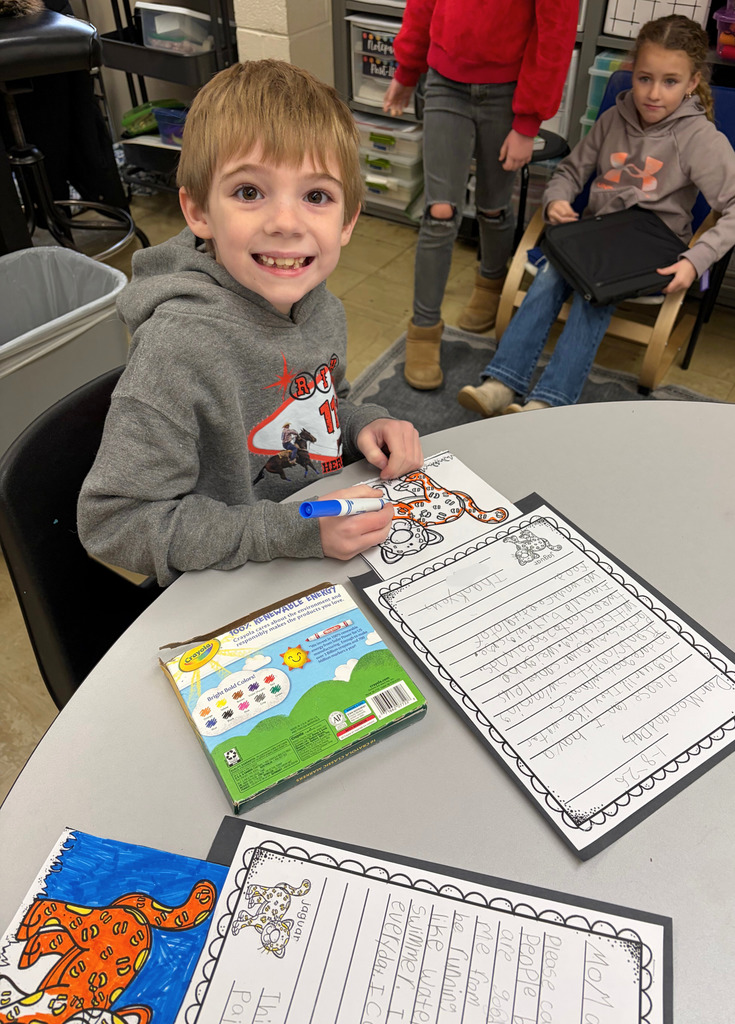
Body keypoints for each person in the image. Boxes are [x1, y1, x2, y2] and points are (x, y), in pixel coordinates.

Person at [77, 60, 423, 587]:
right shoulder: (178, 348)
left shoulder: (321, 306)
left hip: (313, 555)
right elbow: (115, 522)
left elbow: (324, 405)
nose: (285, 222)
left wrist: (361, 424)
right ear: (198, 212)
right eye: (248, 192)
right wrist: (293, 531)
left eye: (316, 196)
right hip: (233, 585)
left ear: (348, 220)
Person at [458, 14, 735, 417]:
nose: (653, 93)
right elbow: (571, 171)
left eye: (670, 82)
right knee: (555, 269)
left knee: (595, 293)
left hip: (653, 244)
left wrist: (697, 260)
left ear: (693, 82)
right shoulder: (613, 119)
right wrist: (557, 199)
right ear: (633, 74)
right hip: (599, 234)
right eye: (644, 78)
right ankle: (502, 382)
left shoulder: (701, 140)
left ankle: (548, 402)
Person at [382, 0, 578, 390]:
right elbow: (423, 5)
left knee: (493, 206)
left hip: (509, 90)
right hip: (444, 82)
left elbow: (554, 33)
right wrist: (407, 70)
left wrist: (527, 122)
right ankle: (424, 328)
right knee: (439, 212)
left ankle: (490, 283)